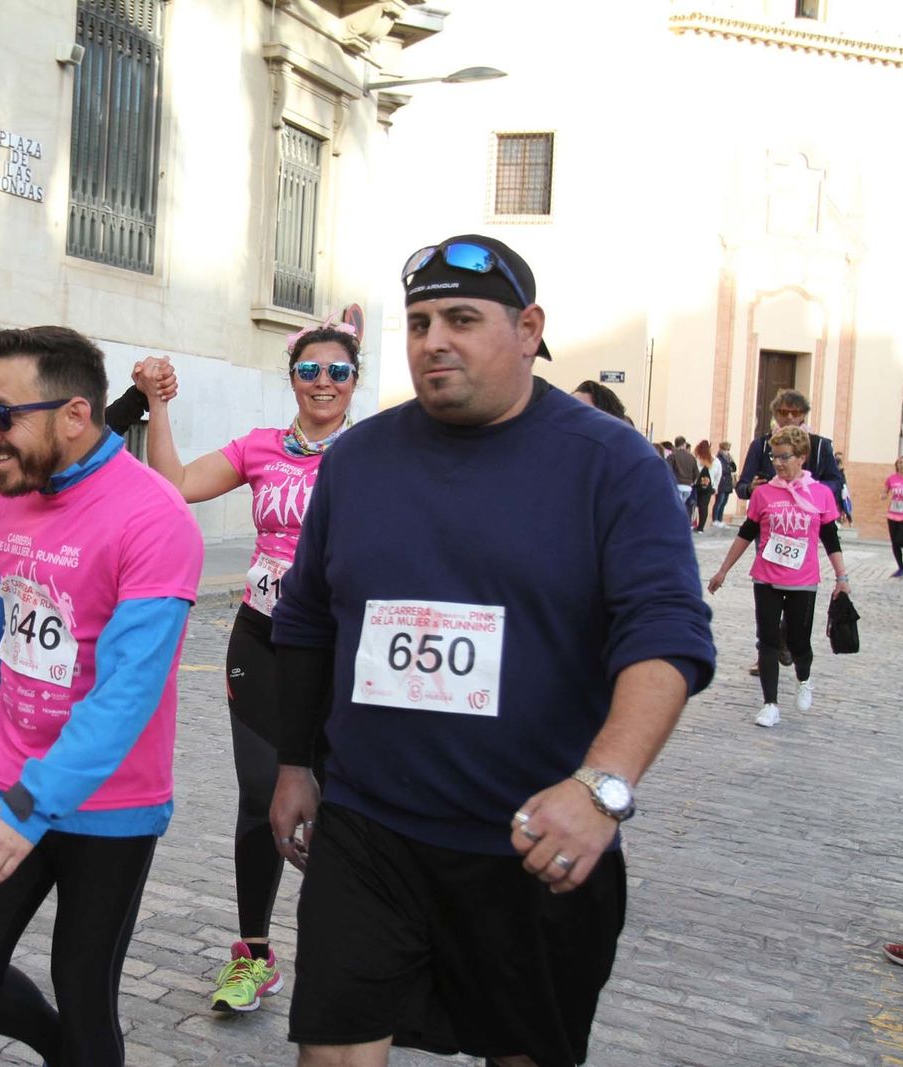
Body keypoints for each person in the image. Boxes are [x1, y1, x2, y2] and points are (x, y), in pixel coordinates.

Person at [268, 234, 714, 1067]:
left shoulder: (609, 462)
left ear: (527, 327)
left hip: (532, 842)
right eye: (419, 320)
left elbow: (667, 635)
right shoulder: (359, 458)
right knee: (330, 1052)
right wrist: (295, 762)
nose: (434, 339)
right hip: (369, 829)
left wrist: (600, 789)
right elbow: (308, 621)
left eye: (463, 318)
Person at [0, 325, 203, 1066]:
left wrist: (32, 807)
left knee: (83, 985)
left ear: (73, 414)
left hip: (110, 807)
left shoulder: (156, 516)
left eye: (2, 413)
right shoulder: (12, 496)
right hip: (14, 783)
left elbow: (127, 694)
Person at [132, 317, 359, 1014]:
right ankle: (254, 955)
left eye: (339, 371)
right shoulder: (262, 448)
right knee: (263, 794)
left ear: (355, 380)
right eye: (309, 370)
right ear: (291, 377)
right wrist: (157, 405)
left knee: (343, 801)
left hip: (342, 653)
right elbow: (173, 484)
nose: (323, 382)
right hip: (260, 641)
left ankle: (347, 949)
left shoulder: (374, 455)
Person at [708, 425, 845, 728]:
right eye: (774, 457)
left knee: (798, 642)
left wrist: (841, 578)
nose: (778, 463)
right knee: (767, 640)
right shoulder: (764, 494)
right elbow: (747, 533)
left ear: (802, 457)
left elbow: (831, 539)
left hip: (803, 580)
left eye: (785, 457)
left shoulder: (820, 494)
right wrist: (723, 570)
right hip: (766, 577)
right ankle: (770, 704)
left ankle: (804, 679)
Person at [734, 390, 842, 674]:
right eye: (784, 412)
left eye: (795, 412)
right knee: (769, 588)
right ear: (775, 415)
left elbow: (835, 481)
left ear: (805, 413)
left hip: (804, 526)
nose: (790, 417)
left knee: (796, 586)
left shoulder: (819, 446)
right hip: (770, 525)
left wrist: (813, 493)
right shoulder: (761, 445)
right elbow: (743, 484)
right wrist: (752, 489)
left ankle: (785, 638)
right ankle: (767, 649)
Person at [882, 456, 903, 577]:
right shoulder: (891, 479)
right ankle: (901, 568)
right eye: (900, 462)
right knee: (894, 543)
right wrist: (883, 495)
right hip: (892, 514)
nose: (902, 465)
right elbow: (885, 491)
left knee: (901, 539)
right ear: (897, 465)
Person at [691, 439, 717, 533]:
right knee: (704, 506)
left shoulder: (697, 458)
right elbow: (719, 473)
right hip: (709, 487)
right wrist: (715, 486)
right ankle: (701, 527)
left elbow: (693, 470)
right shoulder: (715, 460)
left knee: (693, 505)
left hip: (696, 485)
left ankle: (693, 523)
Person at [668, 436, 696, 520]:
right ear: (684, 445)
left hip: (676, 484)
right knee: (682, 505)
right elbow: (696, 473)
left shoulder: (672, 456)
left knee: (676, 506)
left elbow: (667, 470)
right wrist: (692, 482)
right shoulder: (691, 457)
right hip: (688, 487)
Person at [712, 440, 737, 528]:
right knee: (719, 501)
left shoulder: (728, 458)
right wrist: (728, 468)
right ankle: (715, 520)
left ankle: (720, 520)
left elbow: (734, 469)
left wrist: (731, 461)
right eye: (726, 449)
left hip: (727, 482)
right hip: (721, 482)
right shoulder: (718, 458)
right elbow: (722, 469)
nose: (727, 451)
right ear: (721, 449)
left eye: (728, 449)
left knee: (724, 502)